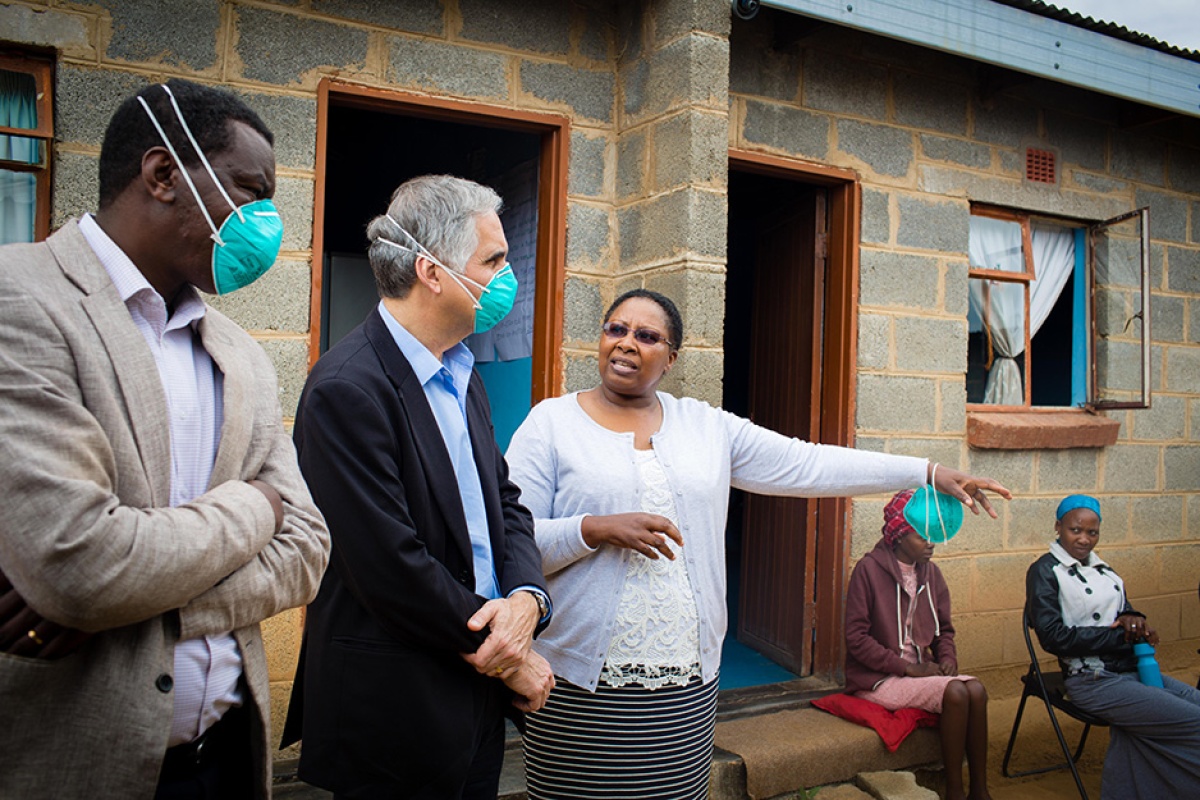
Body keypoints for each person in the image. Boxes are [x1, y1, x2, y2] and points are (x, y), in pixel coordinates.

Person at [504, 288, 1010, 800]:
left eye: (647, 336)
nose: (627, 343)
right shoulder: (552, 423)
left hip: (685, 679)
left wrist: (926, 471)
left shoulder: (705, 427)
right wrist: (592, 528)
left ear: (672, 357)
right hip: (578, 677)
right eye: (616, 329)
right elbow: (512, 536)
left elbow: (808, 464)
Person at [0, 79, 331, 799]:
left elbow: (307, 550)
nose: (266, 223)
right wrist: (257, 506)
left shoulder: (237, 351)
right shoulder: (20, 298)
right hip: (79, 768)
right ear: (161, 175)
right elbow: (81, 563)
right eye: (251, 190)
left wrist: (139, 609)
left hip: (227, 761)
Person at [282, 174, 554, 799]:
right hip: (395, 707)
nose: (507, 277)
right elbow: (389, 566)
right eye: (493, 260)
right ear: (433, 272)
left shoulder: (463, 371)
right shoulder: (347, 388)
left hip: (477, 694)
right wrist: (509, 654)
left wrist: (526, 600)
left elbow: (504, 504)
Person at [1027, 494, 1200, 800]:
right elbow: (1053, 637)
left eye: (1092, 533)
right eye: (1075, 530)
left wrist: (1137, 621)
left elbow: (1125, 613)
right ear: (1058, 527)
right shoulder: (1044, 571)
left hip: (1132, 670)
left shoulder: (1106, 572)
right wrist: (1120, 638)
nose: (1084, 539)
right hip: (1091, 680)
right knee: (1193, 721)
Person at [845, 489, 992, 800]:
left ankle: (980, 790)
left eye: (934, 533)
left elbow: (944, 631)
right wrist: (908, 668)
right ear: (898, 534)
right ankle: (954, 790)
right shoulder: (868, 571)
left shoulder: (932, 574)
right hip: (879, 679)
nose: (930, 542)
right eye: (921, 534)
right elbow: (856, 639)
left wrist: (947, 658)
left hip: (919, 673)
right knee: (955, 690)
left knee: (976, 689)